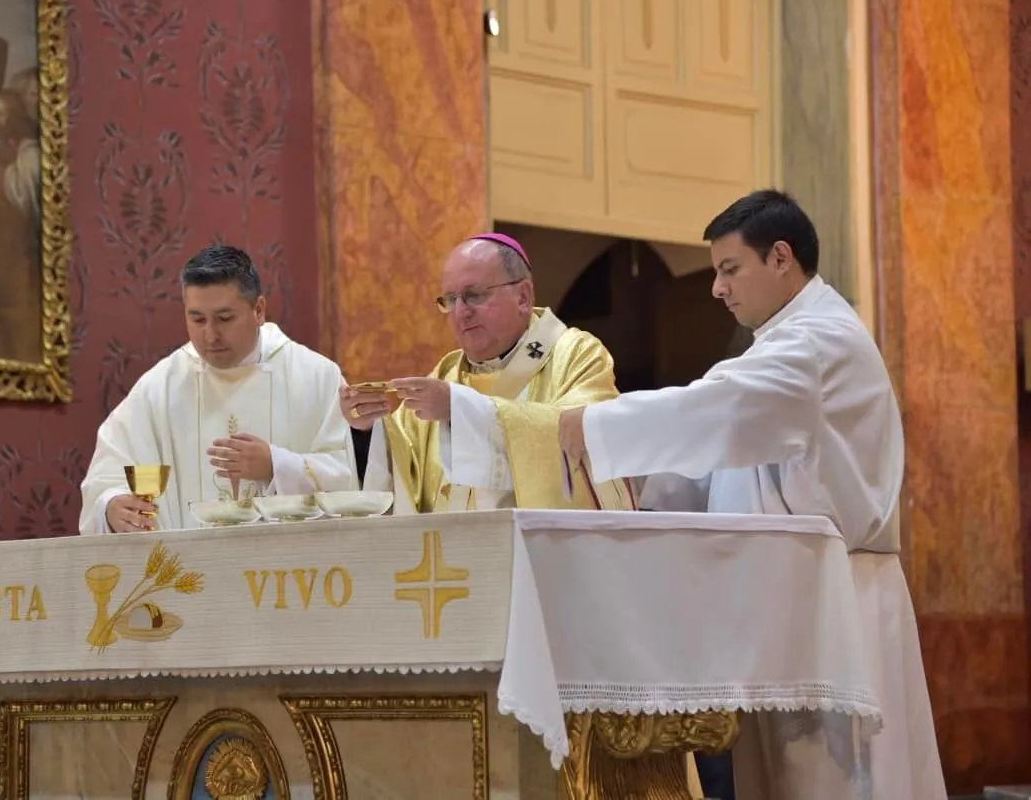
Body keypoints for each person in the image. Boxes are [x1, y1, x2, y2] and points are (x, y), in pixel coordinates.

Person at [558, 189, 946, 800]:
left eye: (729, 268)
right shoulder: (782, 344)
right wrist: (627, 488)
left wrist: (596, 428)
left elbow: (719, 409)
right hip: (791, 601)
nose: (717, 288)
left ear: (781, 257)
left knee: (837, 779)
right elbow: (721, 465)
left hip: (837, 603)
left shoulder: (817, 340)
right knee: (785, 777)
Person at [341, 233, 636, 512]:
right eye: (451, 300)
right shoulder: (446, 374)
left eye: (474, 295)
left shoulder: (575, 354)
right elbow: (406, 467)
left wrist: (460, 409)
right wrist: (366, 430)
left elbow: (587, 438)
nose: (460, 312)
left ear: (523, 296)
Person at [80, 245, 358, 533]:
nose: (210, 335)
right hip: (190, 572)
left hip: (289, 573)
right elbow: (107, 473)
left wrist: (278, 465)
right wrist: (112, 506)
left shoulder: (317, 376)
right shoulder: (160, 387)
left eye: (225, 318)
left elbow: (354, 475)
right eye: (197, 319)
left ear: (258, 310)